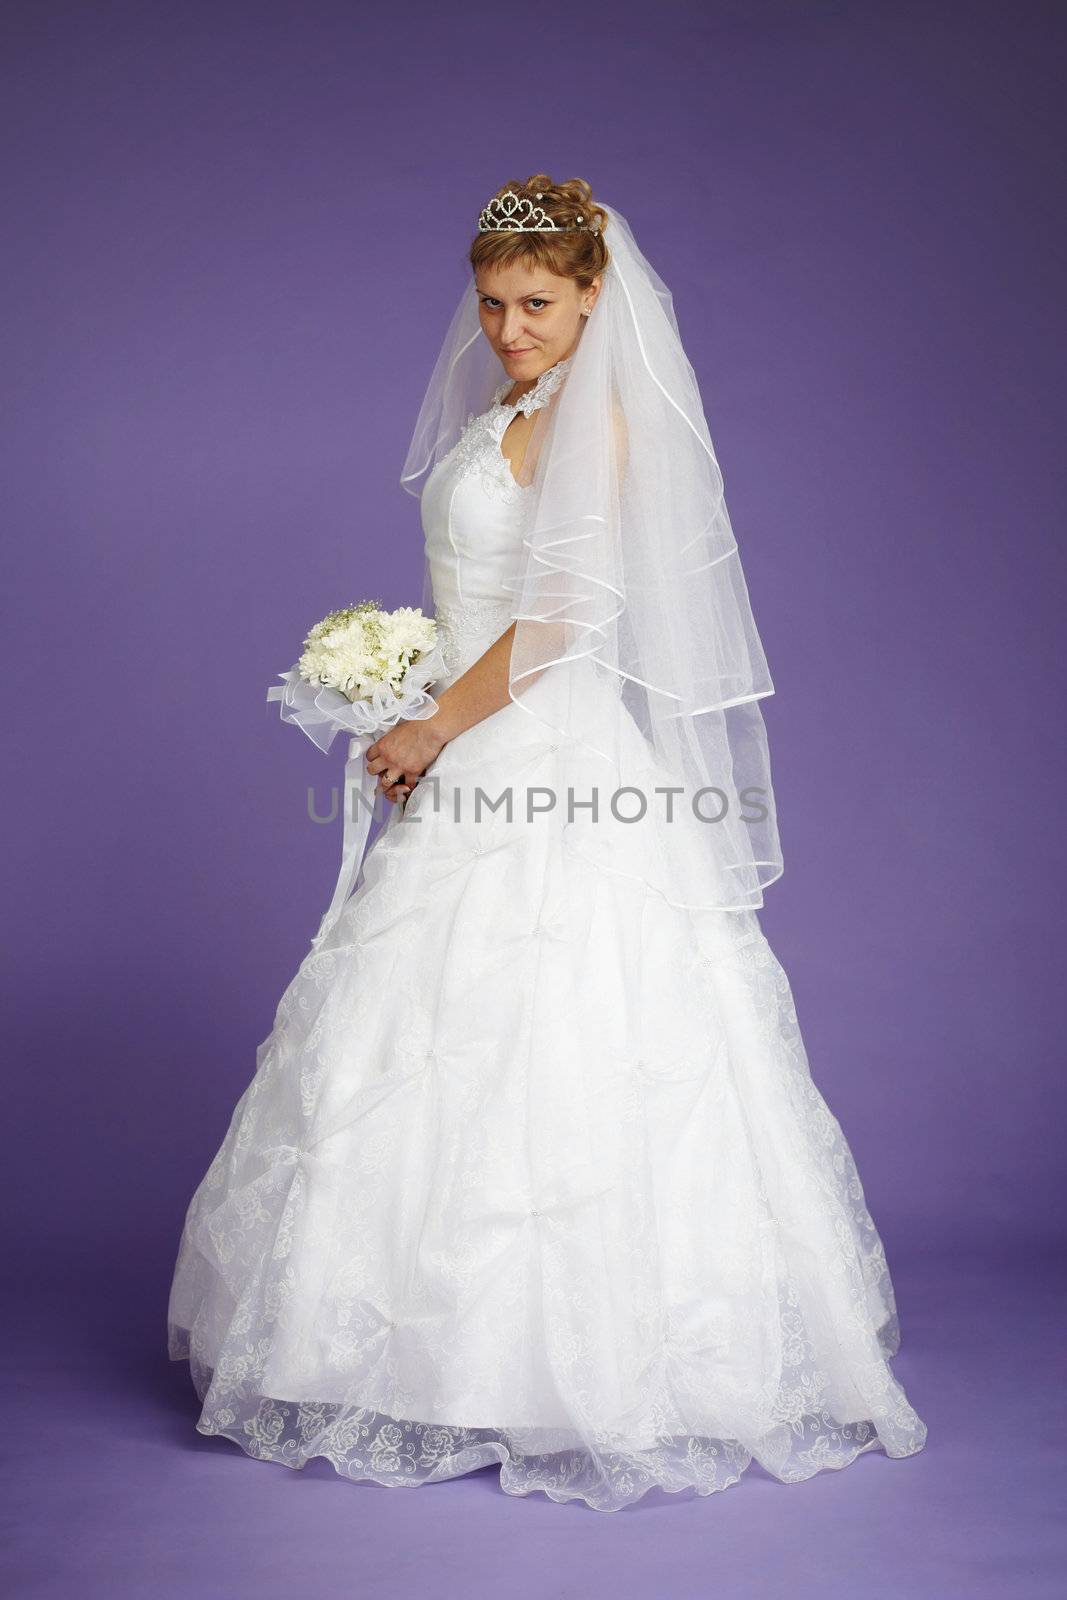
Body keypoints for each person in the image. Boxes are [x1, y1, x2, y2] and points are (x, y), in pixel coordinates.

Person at [167, 174, 928, 1513]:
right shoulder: (509, 414)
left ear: (594, 300)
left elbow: (569, 613)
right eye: (494, 303)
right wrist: (401, 680)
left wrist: (434, 725)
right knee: (424, 1035)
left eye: (539, 305)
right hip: (481, 731)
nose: (512, 328)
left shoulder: (602, 422)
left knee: (568, 1021)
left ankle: (571, 1366)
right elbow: (492, 591)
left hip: (542, 746)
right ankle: (422, 1358)